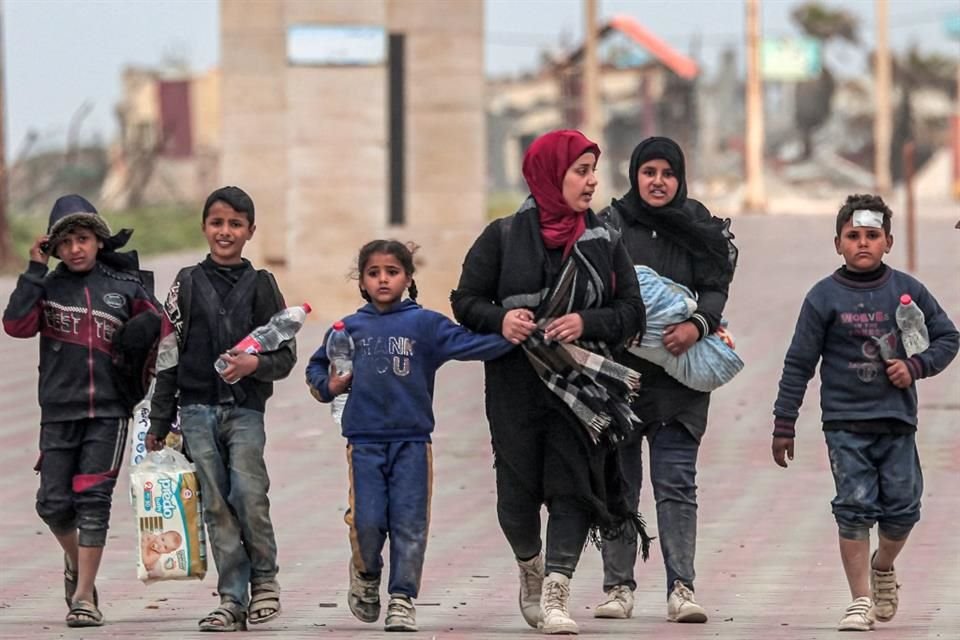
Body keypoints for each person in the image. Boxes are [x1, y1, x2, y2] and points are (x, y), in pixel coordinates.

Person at [451, 129, 648, 635]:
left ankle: (558, 593)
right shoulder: (502, 236)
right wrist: (501, 320)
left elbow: (631, 311)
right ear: (548, 174)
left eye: (592, 171)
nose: (590, 182)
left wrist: (587, 323)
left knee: (573, 488)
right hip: (517, 386)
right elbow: (465, 300)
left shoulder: (605, 240)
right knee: (515, 501)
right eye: (579, 171)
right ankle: (531, 568)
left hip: (581, 390)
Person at [306, 239, 514, 633]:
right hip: (364, 443)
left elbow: (469, 343)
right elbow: (318, 371)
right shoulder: (348, 329)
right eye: (373, 273)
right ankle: (367, 574)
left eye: (392, 272)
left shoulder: (425, 325)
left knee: (410, 523)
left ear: (407, 277)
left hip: (413, 443)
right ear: (362, 281)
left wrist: (514, 335)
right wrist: (330, 386)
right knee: (367, 520)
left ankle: (402, 598)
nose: (383, 279)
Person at [771, 194, 958, 631]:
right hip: (844, 425)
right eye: (853, 235)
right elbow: (798, 363)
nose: (862, 243)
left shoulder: (906, 292)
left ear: (888, 241)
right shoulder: (823, 297)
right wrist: (784, 424)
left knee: (903, 508)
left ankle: (883, 565)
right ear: (837, 242)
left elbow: (948, 338)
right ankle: (859, 599)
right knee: (853, 506)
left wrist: (915, 367)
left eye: (872, 235)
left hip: (896, 424)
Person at [594, 136, 738, 623]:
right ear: (634, 174)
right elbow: (594, 285)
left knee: (676, 484)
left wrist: (695, 327)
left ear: (680, 178)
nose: (658, 182)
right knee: (619, 484)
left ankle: (682, 588)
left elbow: (715, 287)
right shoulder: (610, 225)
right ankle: (617, 587)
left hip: (679, 379)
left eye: (668, 173)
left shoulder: (698, 225)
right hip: (620, 377)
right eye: (649, 172)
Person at [3, 195, 160, 628]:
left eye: (84, 238)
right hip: (58, 412)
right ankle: (75, 562)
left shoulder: (124, 287)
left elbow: (162, 336)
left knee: (93, 500)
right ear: (53, 247)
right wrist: (34, 271)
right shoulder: (47, 287)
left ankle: (84, 595)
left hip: (109, 413)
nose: (76, 248)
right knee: (53, 505)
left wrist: (159, 396)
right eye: (66, 241)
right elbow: (15, 325)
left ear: (98, 240)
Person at [145, 186, 296, 632]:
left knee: (249, 496)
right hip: (194, 411)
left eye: (235, 224)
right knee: (215, 504)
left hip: (246, 412)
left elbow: (285, 357)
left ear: (251, 230)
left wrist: (255, 365)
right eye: (217, 223)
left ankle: (265, 581)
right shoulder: (186, 284)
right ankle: (232, 597)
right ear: (204, 227)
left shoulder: (263, 286)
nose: (225, 231)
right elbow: (168, 353)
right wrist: (158, 419)